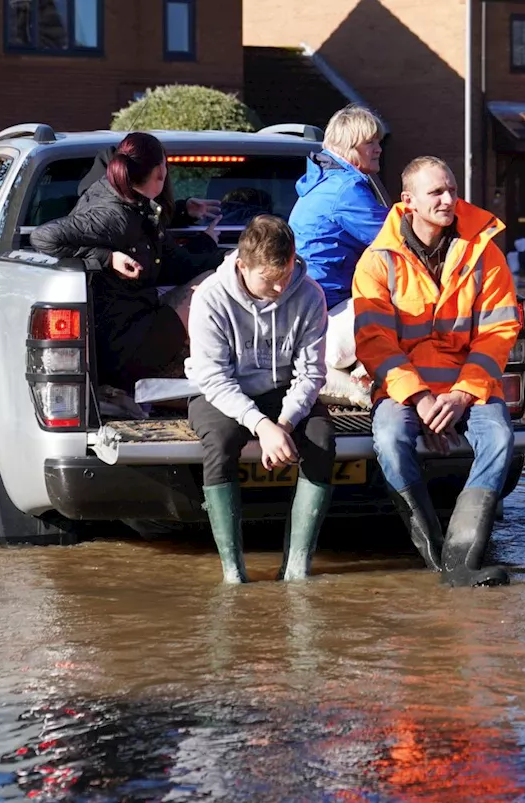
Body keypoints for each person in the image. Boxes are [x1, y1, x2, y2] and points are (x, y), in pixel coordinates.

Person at [353, 156, 521, 588]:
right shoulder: (377, 261)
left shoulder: (486, 252)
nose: (449, 200)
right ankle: (435, 556)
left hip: (468, 387)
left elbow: (498, 332)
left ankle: (462, 556)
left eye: (451, 189)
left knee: (500, 437)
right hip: (406, 392)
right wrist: (422, 400)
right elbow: (375, 343)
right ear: (408, 201)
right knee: (390, 438)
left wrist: (462, 395)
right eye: (437, 193)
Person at [184, 215, 334, 584]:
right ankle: (233, 571)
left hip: (284, 391)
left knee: (322, 440)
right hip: (222, 393)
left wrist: (283, 424)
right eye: (270, 280)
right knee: (219, 443)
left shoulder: (310, 294)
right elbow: (213, 378)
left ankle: (297, 567)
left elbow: (312, 374)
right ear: (242, 266)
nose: (281, 288)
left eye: (286, 275)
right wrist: (261, 426)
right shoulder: (209, 298)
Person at [31, 132, 224, 391]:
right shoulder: (116, 215)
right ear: (159, 173)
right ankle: (215, 381)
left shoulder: (121, 198)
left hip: (131, 320)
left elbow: (162, 249)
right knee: (211, 285)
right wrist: (108, 258)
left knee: (203, 282)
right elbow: (42, 236)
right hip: (123, 342)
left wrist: (182, 212)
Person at [288, 104, 388, 371]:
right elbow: (395, 240)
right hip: (326, 304)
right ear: (348, 146)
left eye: (378, 141)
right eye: (370, 142)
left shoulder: (324, 181)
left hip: (309, 301)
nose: (378, 149)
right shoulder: (346, 188)